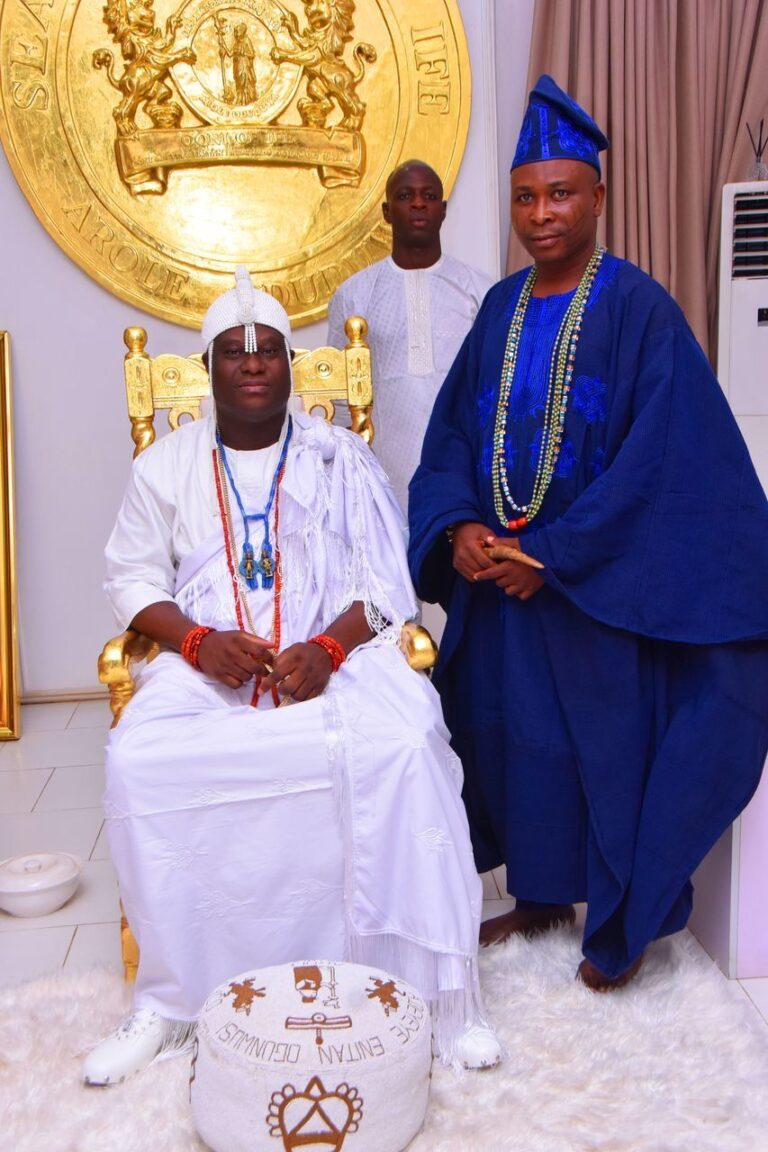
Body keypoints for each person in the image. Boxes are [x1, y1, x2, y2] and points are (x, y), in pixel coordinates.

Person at [82, 268, 499, 1087]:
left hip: (332, 662)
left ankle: (430, 995)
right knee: (139, 759)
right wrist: (196, 641)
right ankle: (171, 1001)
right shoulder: (165, 466)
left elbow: (385, 590)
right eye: (234, 350)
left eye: (268, 349)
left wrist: (330, 650)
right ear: (209, 367)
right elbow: (131, 578)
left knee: (408, 741)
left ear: (289, 366)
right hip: (209, 667)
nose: (251, 362)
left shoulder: (342, 459)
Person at [408, 76, 768, 991]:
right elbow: (453, 434)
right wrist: (459, 526)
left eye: (561, 193)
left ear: (598, 197)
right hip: (502, 588)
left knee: (599, 756)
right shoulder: (500, 307)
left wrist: (556, 555)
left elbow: (666, 459)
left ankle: (619, 922)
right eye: (525, 197)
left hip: (596, 587)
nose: (541, 214)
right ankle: (537, 897)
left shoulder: (640, 309)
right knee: (506, 740)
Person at [327, 160, 493, 512]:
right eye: (405, 196)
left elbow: (494, 389)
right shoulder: (355, 294)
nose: (418, 204)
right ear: (387, 212)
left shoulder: (480, 291)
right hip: (380, 469)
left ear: (443, 210)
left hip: (462, 464)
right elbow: (341, 399)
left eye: (429, 196)